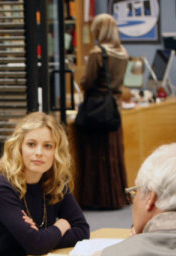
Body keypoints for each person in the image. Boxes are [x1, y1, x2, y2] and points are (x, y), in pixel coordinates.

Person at [0, 111, 90, 256]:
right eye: (31, 144)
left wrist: (42, 238)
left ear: (56, 152)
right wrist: (61, 225)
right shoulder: (0, 186)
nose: (38, 153)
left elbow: (83, 230)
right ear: (19, 147)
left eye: (47, 146)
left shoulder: (55, 182)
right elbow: (36, 245)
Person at [75, 13, 129, 209]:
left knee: (94, 156)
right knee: (113, 156)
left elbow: (87, 82)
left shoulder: (98, 54)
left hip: (96, 111)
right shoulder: (123, 53)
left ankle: (97, 199)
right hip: (113, 110)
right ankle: (114, 197)